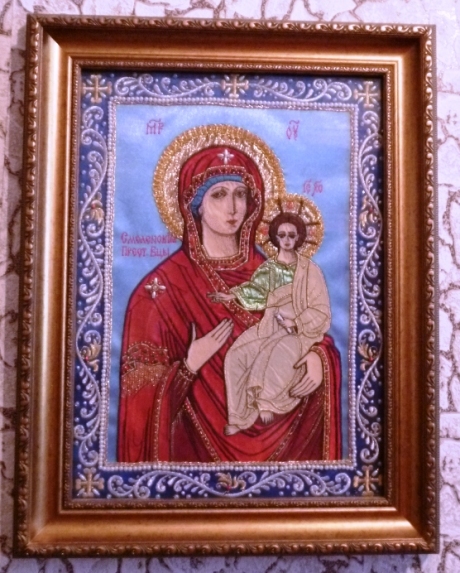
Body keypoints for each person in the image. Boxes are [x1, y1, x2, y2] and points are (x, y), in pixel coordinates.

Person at [117, 144, 342, 463]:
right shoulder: (160, 290)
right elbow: (137, 400)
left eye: (241, 194)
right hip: (194, 455)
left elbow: (316, 325)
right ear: (195, 206)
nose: (233, 207)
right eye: (219, 195)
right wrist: (189, 366)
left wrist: (319, 360)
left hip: (286, 440)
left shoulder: (278, 271)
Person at [209, 213, 331, 435]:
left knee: (276, 351)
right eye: (282, 235)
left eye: (291, 235)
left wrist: (296, 322)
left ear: (298, 238)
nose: (286, 240)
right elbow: (257, 291)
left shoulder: (310, 271)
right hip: (269, 326)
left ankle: (266, 402)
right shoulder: (269, 269)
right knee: (236, 355)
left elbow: (321, 310)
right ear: (275, 237)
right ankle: (238, 417)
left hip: (298, 331)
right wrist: (233, 295)